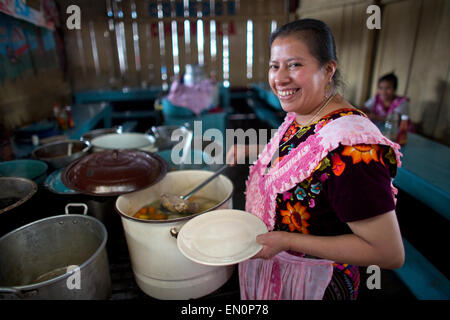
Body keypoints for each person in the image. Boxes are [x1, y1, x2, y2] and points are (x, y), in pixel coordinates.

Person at [226, 18, 404, 300]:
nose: (280, 78)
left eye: (294, 65)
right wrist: (252, 148)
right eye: (275, 65)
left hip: (315, 284)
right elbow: (306, 149)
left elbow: (388, 252)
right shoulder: (308, 111)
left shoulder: (354, 151)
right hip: (279, 273)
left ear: (329, 68)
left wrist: (286, 240)